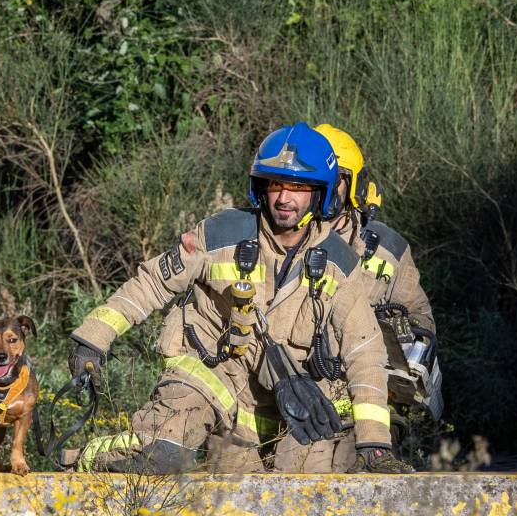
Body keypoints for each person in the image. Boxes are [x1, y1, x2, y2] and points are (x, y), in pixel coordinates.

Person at [64, 122, 410, 474]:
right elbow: (153, 282)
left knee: (292, 495)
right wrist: (93, 338)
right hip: (208, 375)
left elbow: (364, 349)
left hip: (284, 406)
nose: (284, 198)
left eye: (298, 187)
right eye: (275, 184)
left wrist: (375, 443)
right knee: (163, 454)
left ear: (319, 194)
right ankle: (88, 458)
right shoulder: (220, 233)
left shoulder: (339, 263)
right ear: (261, 187)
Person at [314, 123, 441, 471]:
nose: (323, 189)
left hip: (369, 409)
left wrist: (404, 332)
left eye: (334, 178)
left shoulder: (390, 249)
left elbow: (422, 319)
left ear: (353, 183)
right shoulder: (285, 242)